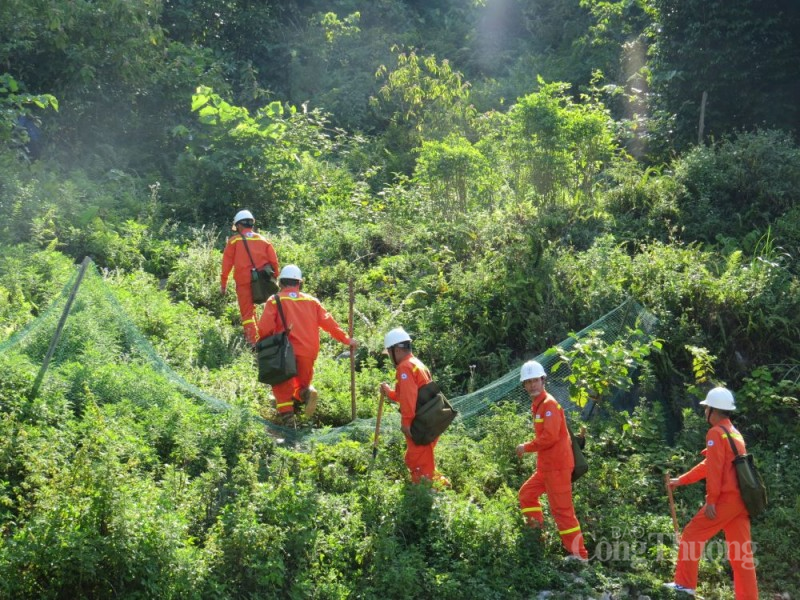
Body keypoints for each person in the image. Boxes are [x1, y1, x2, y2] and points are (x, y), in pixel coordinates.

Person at [664, 387, 759, 598]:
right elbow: (711, 464)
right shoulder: (734, 433)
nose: (704, 412)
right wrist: (682, 480)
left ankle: (684, 585)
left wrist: (711, 501)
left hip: (724, 501)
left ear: (712, 410)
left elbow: (714, 472)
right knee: (741, 555)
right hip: (740, 503)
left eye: (706, 408)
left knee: (691, 535)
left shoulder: (716, 433)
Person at [257, 265, 357, 426]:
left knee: (282, 385)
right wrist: (347, 340)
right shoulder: (312, 301)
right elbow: (329, 324)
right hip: (309, 351)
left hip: (285, 351)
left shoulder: (275, 300)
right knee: (300, 384)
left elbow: (264, 329)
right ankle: (307, 393)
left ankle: (289, 422)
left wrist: (264, 344)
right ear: (299, 283)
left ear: (281, 283)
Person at [516, 360, 589, 562]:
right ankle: (536, 540)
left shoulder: (548, 405)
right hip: (546, 467)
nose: (532, 385)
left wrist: (526, 447)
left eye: (535, 381)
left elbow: (549, 437)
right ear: (524, 385)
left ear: (543, 380)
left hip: (557, 467)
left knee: (562, 511)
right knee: (527, 495)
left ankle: (579, 556)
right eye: (528, 382)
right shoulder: (538, 405)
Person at [379, 328, 449, 487]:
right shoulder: (416, 363)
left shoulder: (404, 367)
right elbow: (407, 394)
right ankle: (441, 485)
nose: (390, 357)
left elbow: (409, 399)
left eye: (389, 353)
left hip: (419, 423)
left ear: (396, 350)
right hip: (431, 419)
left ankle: (425, 495)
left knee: (417, 461)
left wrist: (406, 423)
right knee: (424, 459)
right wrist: (389, 392)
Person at [220, 210, 280, 346]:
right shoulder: (264, 240)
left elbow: (226, 265)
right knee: (270, 309)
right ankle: (269, 335)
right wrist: (275, 278)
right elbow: (274, 262)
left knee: (247, 313)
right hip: (263, 281)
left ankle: (253, 342)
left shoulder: (234, 241)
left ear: (239, 225)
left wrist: (223, 284)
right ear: (251, 224)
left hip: (243, 282)